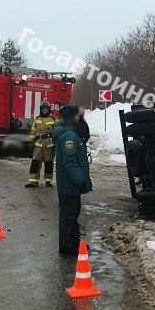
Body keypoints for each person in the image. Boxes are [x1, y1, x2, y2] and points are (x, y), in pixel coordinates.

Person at [52, 103, 92, 256]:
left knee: (73, 213)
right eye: (77, 114)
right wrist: (79, 179)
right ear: (72, 116)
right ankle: (66, 245)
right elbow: (69, 160)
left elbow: (84, 133)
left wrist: (80, 117)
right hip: (70, 184)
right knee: (68, 215)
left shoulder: (70, 130)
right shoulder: (68, 135)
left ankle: (74, 242)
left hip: (71, 184)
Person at [25, 102, 56, 188]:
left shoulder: (54, 119)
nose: (44, 110)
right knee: (35, 163)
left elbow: (57, 132)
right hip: (38, 145)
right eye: (43, 108)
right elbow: (33, 131)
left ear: (49, 109)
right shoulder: (37, 119)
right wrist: (30, 143)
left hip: (49, 146)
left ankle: (48, 181)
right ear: (41, 110)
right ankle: (33, 181)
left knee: (48, 163)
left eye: (46, 108)